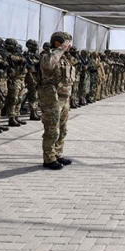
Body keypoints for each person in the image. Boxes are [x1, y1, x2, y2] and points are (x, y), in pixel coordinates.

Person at [38, 31, 74, 170]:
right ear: (58, 42)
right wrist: (60, 49)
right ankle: (48, 158)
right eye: (66, 42)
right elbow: (48, 65)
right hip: (51, 99)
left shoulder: (64, 58)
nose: (68, 45)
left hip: (64, 98)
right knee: (52, 130)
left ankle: (58, 154)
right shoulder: (48, 56)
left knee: (63, 129)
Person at [24, 39, 41, 121]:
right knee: (33, 95)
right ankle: (32, 112)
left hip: (37, 76)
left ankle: (35, 111)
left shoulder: (36, 55)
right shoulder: (27, 55)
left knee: (36, 95)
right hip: (31, 77)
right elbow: (29, 65)